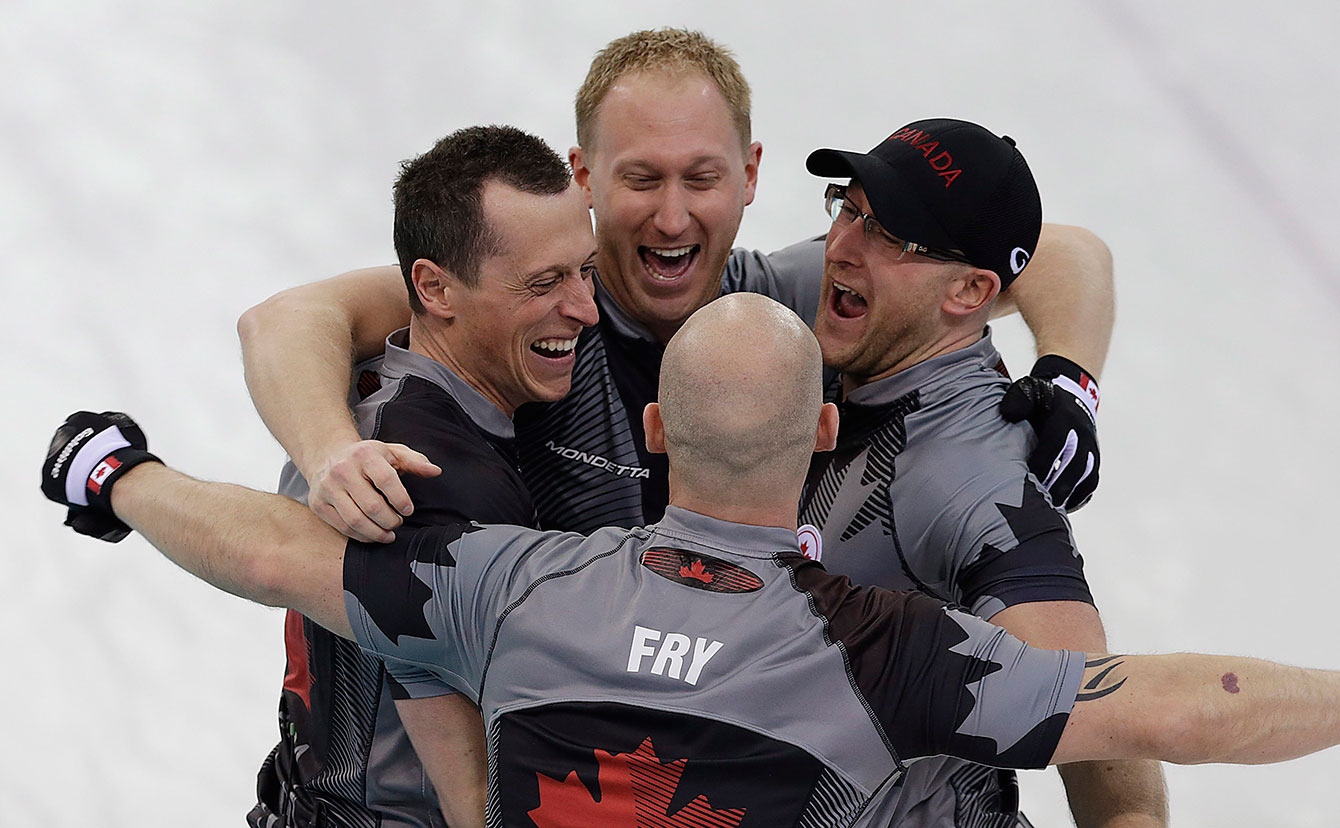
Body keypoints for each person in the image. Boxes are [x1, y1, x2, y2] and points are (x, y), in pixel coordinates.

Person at [235, 29, 1148, 827]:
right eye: (641, 178)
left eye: (701, 178)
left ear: (749, 176)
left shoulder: (780, 313)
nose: (672, 216)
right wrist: (329, 452)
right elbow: (287, 319)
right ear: (584, 178)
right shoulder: (535, 310)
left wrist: (1070, 377)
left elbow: (1050, 249)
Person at [40, 293, 1340, 828]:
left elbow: (275, 553)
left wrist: (119, 476)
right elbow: (1182, 708)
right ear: (823, 434)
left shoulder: (516, 586)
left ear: (655, 434)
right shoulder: (884, 652)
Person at [798, 118, 1164, 827]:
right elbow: (1070, 248)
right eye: (848, 208)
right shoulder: (864, 329)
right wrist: (1073, 379)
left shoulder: (962, 473)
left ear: (970, 291)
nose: (839, 246)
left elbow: (1102, 719)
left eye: (888, 234)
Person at [255, 125, 597, 826]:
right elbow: (476, 800)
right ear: (435, 288)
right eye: (545, 283)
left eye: (585, 270)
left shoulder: (388, 400)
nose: (586, 309)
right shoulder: (422, 473)